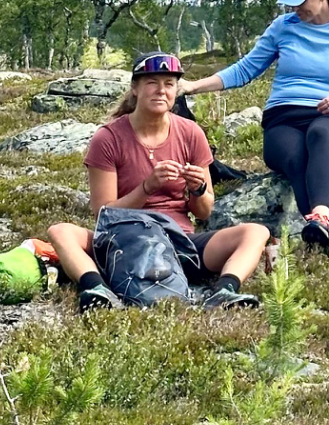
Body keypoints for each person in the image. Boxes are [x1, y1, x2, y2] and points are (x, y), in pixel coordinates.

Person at [178, 0, 329, 255]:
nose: (295, 9)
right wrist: (192, 86)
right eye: (290, 2)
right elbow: (244, 70)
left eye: (300, 1)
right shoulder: (282, 27)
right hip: (282, 119)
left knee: (320, 136)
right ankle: (325, 226)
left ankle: (321, 219)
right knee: (294, 155)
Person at [47, 53, 271, 313]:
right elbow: (104, 213)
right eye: (152, 82)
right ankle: (96, 288)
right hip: (123, 241)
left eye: (169, 84)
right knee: (61, 231)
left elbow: (204, 211)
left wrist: (198, 189)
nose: (161, 91)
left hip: (180, 243)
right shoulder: (108, 138)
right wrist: (147, 188)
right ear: (135, 88)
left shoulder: (191, 133)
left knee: (256, 232)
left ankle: (224, 291)